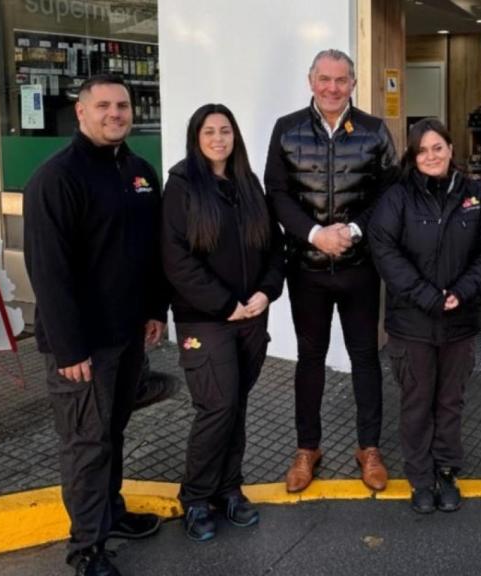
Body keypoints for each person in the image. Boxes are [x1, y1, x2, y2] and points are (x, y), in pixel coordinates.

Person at [23, 74, 168, 576]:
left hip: (129, 336)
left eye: (123, 106)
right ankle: (86, 548)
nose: (115, 114)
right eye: (103, 105)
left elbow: (150, 254)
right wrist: (69, 350)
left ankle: (110, 513)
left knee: (113, 431)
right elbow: (49, 272)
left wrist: (156, 310)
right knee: (86, 443)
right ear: (80, 112)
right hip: (82, 347)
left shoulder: (140, 171)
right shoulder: (56, 178)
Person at [265, 49, 398, 493]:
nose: (332, 88)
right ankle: (308, 448)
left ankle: (369, 448)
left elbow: (389, 194)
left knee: (365, 358)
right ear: (310, 80)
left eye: (341, 80)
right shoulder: (286, 129)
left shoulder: (376, 131)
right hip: (307, 268)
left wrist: (355, 230)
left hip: (360, 268)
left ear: (354, 84)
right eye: (324, 79)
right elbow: (277, 192)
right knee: (310, 358)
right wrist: (313, 234)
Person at [161, 104, 285, 541]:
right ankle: (195, 497)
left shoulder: (248, 183)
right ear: (196, 137)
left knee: (236, 405)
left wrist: (265, 292)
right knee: (217, 407)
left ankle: (229, 489)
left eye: (225, 130)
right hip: (206, 321)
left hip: (252, 316)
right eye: (209, 131)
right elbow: (176, 260)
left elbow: (274, 247)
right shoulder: (181, 186)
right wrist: (224, 304)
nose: (218, 138)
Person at [369, 118, 481, 514]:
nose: (431, 156)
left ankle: (446, 471)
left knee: (450, 401)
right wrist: (429, 296)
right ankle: (420, 478)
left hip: (459, 321)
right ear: (413, 156)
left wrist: (460, 292)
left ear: (450, 149)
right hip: (412, 323)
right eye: (422, 150)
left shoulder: (475, 195)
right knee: (416, 401)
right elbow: (385, 251)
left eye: (438, 148)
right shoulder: (397, 198)